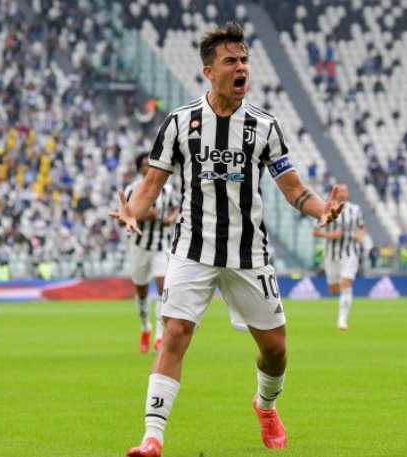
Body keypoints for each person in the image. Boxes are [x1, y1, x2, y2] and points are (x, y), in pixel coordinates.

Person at [109, 23, 343, 456]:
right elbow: (150, 187)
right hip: (192, 249)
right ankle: (152, 437)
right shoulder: (180, 123)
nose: (241, 68)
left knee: (276, 350)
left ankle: (265, 405)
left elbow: (294, 189)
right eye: (231, 61)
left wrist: (320, 210)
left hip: (248, 253)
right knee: (175, 333)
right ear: (209, 71)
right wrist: (131, 211)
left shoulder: (264, 126)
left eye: (245, 60)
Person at [124, 153, 178, 353]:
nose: (149, 167)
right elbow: (122, 220)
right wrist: (145, 216)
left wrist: (171, 218)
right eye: (145, 164)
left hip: (161, 246)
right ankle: (145, 326)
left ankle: (159, 336)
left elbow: (177, 208)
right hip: (138, 247)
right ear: (139, 169)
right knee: (141, 290)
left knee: (163, 287)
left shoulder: (168, 189)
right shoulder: (132, 190)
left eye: (152, 163)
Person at [312, 184, 366, 330]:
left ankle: (342, 320)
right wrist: (331, 235)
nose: (342, 194)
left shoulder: (355, 209)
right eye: (340, 191)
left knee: (346, 284)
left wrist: (358, 236)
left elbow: (362, 227)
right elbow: (315, 232)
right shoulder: (325, 208)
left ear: (348, 193)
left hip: (350, 253)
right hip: (331, 254)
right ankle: (339, 303)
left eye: (345, 191)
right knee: (334, 289)